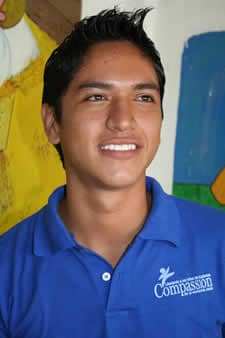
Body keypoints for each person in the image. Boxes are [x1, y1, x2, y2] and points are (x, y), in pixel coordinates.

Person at [0, 7, 225, 338]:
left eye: (144, 97)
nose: (123, 120)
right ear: (53, 123)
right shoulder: (7, 267)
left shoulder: (218, 242)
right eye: (97, 96)